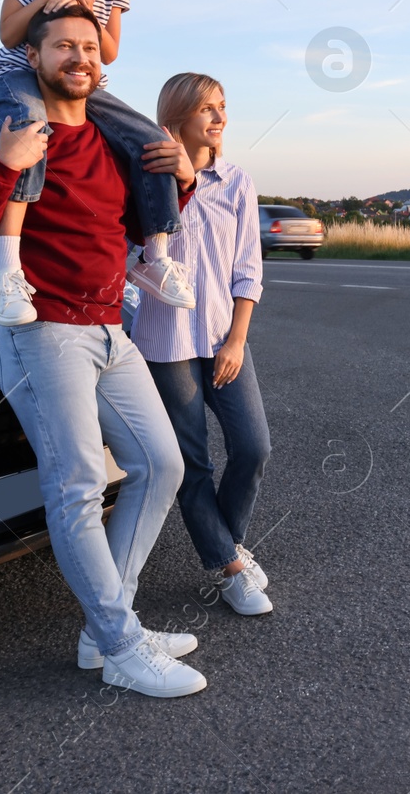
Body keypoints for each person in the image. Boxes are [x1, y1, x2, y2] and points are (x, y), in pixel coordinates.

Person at [0, 2, 208, 698]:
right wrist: (4, 164)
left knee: (161, 464)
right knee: (79, 485)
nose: (81, 57)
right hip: (41, 333)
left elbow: (119, 226)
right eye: (64, 45)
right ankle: (121, 645)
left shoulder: (110, 145)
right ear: (34, 58)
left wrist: (178, 177)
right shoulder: (0, 134)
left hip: (109, 329)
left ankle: (104, 626)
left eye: (90, 47)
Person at [0, 0, 194, 327]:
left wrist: (82, 6)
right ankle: (9, 272)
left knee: (157, 143)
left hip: (85, 80)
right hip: (22, 73)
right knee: (30, 135)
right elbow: (9, 35)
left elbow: (110, 51)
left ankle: (155, 256)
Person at [130, 73, 274, 616]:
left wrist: (238, 339)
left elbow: (248, 270)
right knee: (193, 464)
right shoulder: (145, 182)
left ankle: (223, 551)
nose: (220, 118)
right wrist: (177, 183)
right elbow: (132, 260)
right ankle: (230, 569)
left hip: (222, 338)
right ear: (177, 117)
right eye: (207, 108)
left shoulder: (237, 181)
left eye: (222, 107)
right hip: (166, 344)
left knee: (254, 447)